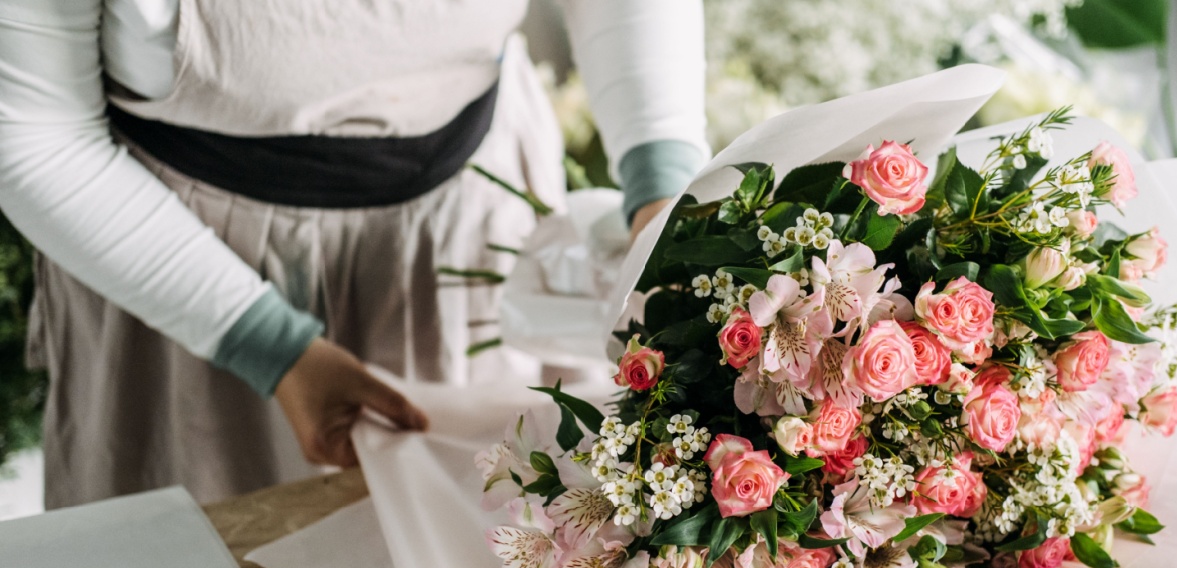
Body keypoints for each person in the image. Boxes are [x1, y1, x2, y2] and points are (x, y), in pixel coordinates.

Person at [0, 0, 708, 508]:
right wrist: (269, 347)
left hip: (469, 226)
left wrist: (662, 195)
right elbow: (34, 137)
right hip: (181, 269)